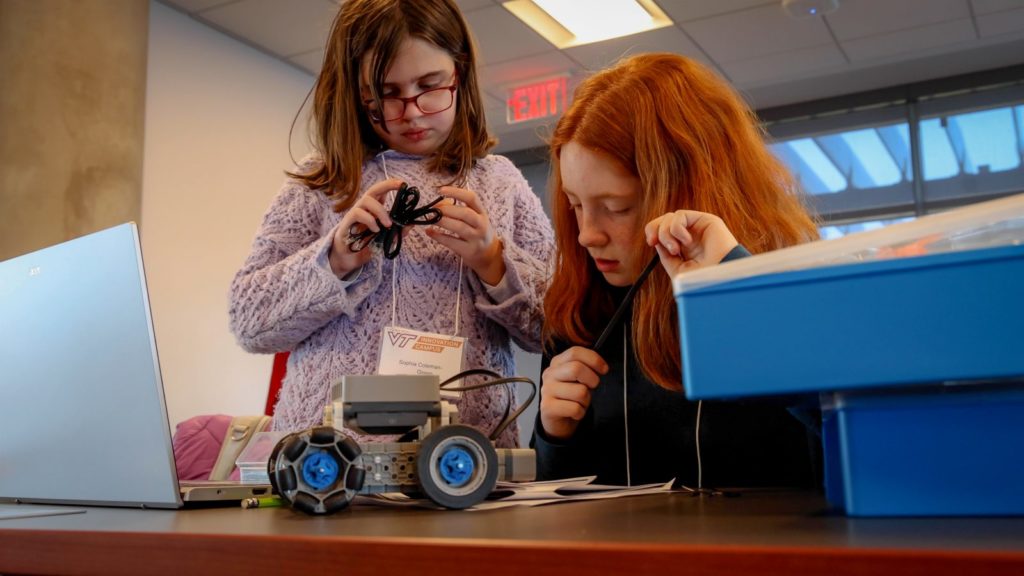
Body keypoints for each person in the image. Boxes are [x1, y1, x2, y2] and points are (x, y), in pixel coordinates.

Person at [229, 0, 553, 448]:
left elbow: (556, 329)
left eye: (430, 85)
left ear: (460, 73)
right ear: (355, 93)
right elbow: (248, 323)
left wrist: (494, 261)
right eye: (386, 93)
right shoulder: (322, 181)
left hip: (466, 458)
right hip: (328, 461)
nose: (412, 112)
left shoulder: (500, 182)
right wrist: (335, 260)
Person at [534, 53, 821, 488]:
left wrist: (733, 283)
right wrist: (555, 436)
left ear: (688, 190)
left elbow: (846, 426)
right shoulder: (579, 313)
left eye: (616, 208)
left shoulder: (792, 288)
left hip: (770, 555)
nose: (586, 235)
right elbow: (559, 501)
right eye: (575, 205)